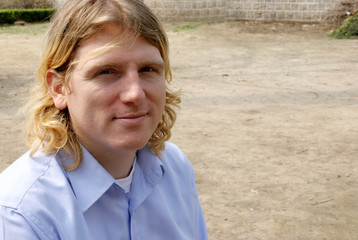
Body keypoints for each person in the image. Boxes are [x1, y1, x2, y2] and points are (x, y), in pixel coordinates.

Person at [0, 0, 208, 239]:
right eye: (106, 72)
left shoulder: (175, 168)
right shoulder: (21, 213)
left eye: (148, 69)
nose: (135, 93)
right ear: (59, 88)